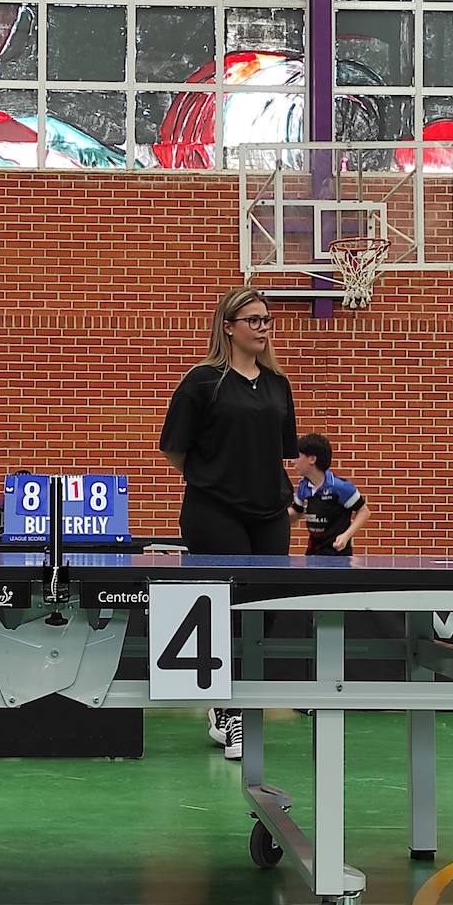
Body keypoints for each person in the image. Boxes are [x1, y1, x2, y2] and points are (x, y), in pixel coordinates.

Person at [159, 286, 298, 760]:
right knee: (224, 606)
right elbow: (175, 449)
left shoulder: (278, 385)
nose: (262, 327)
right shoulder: (202, 381)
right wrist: (213, 481)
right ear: (228, 326)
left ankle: (242, 699)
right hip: (214, 511)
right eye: (253, 319)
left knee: (267, 609)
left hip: (269, 514)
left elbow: (282, 452)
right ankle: (227, 709)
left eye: (266, 320)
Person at [290, 433, 371, 556]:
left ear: (312, 459)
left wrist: (346, 536)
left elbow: (364, 512)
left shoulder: (340, 487)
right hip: (313, 553)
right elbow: (296, 512)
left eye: (297, 456)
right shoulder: (303, 487)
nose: (292, 461)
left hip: (337, 555)